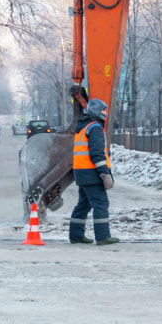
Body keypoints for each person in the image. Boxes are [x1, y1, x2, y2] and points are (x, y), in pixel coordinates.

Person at [69, 98, 118, 245]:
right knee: (101, 203)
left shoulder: (83, 127)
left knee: (83, 205)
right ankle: (103, 237)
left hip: (81, 172)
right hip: (91, 173)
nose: (106, 113)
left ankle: (76, 235)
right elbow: (97, 153)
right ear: (97, 111)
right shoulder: (95, 127)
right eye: (104, 110)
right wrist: (104, 173)